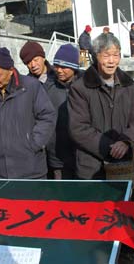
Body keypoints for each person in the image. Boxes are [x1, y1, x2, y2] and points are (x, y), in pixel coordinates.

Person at [68, 33, 134, 264]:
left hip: (123, 166)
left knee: (126, 216)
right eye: (106, 55)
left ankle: (126, 256)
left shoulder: (129, 85)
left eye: (116, 55)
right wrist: (109, 147)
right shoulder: (80, 87)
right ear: (95, 57)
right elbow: (78, 128)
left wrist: (126, 141)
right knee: (97, 220)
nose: (112, 61)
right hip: (92, 166)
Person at [0, 48, 56, 179]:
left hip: (32, 169)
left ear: (10, 71)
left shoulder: (31, 87)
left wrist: (34, 144)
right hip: (1, 170)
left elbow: (47, 116)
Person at [45, 44, 84, 179]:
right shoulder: (48, 88)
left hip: (82, 156)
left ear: (74, 67)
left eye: (64, 67)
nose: (59, 70)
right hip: (57, 156)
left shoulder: (86, 86)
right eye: (56, 66)